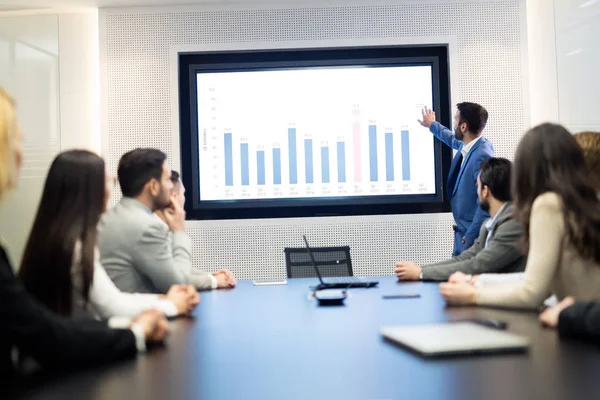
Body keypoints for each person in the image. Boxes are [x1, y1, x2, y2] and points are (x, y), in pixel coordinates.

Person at [0, 87, 168, 379]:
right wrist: (141, 327)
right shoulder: (75, 246)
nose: (20, 152)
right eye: (14, 140)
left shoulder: (55, 239)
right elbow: (51, 332)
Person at [18, 150, 200, 321]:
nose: (110, 190)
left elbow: (115, 299)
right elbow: (113, 307)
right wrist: (171, 305)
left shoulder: (55, 238)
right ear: (88, 192)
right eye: (107, 182)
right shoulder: (74, 247)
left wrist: (161, 299)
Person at [440, 124, 600, 309]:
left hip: (579, 327)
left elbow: (532, 292)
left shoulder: (548, 204)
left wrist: (472, 295)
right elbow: (540, 282)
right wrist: (476, 282)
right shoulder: (583, 202)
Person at [98, 149, 236, 293]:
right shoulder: (147, 227)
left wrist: (209, 277)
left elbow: (167, 267)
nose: (171, 186)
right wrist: (179, 231)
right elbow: (178, 283)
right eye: (168, 179)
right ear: (153, 186)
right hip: (140, 313)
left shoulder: (111, 216)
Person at [395, 157, 525, 281]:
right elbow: (466, 257)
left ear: (485, 191)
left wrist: (421, 273)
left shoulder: (514, 223)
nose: (477, 192)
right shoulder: (490, 223)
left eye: (477, 187)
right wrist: (421, 270)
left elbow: (478, 265)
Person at [418, 103, 494, 256]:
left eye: (455, 120)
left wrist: (471, 236)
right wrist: (432, 125)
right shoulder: (472, 144)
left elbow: (485, 203)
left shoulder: (482, 156)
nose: (454, 124)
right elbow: (452, 139)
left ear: (463, 127)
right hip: (463, 235)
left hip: (471, 239)